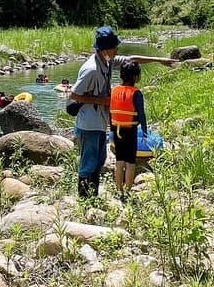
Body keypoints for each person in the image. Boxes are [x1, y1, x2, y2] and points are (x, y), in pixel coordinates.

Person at [68, 26, 178, 198]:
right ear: (105, 49)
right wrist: (103, 101)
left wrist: (159, 59)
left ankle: (93, 197)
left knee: (99, 160)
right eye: (115, 47)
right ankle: (84, 200)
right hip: (88, 124)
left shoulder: (107, 60)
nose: (117, 50)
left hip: (99, 122)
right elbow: (74, 94)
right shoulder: (91, 69)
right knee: (88, 164)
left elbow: (131, 59)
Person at [109, 60, 148, 198]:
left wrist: (111, 128)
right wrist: (145, 130)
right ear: (136, 77)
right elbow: (141, 114)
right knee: (130, 161)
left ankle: (118, 189)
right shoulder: (136, 93)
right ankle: (128, 191)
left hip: (116, 129)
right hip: (130, 130)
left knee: (119, 160)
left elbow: (111, 111)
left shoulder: (114, 90)